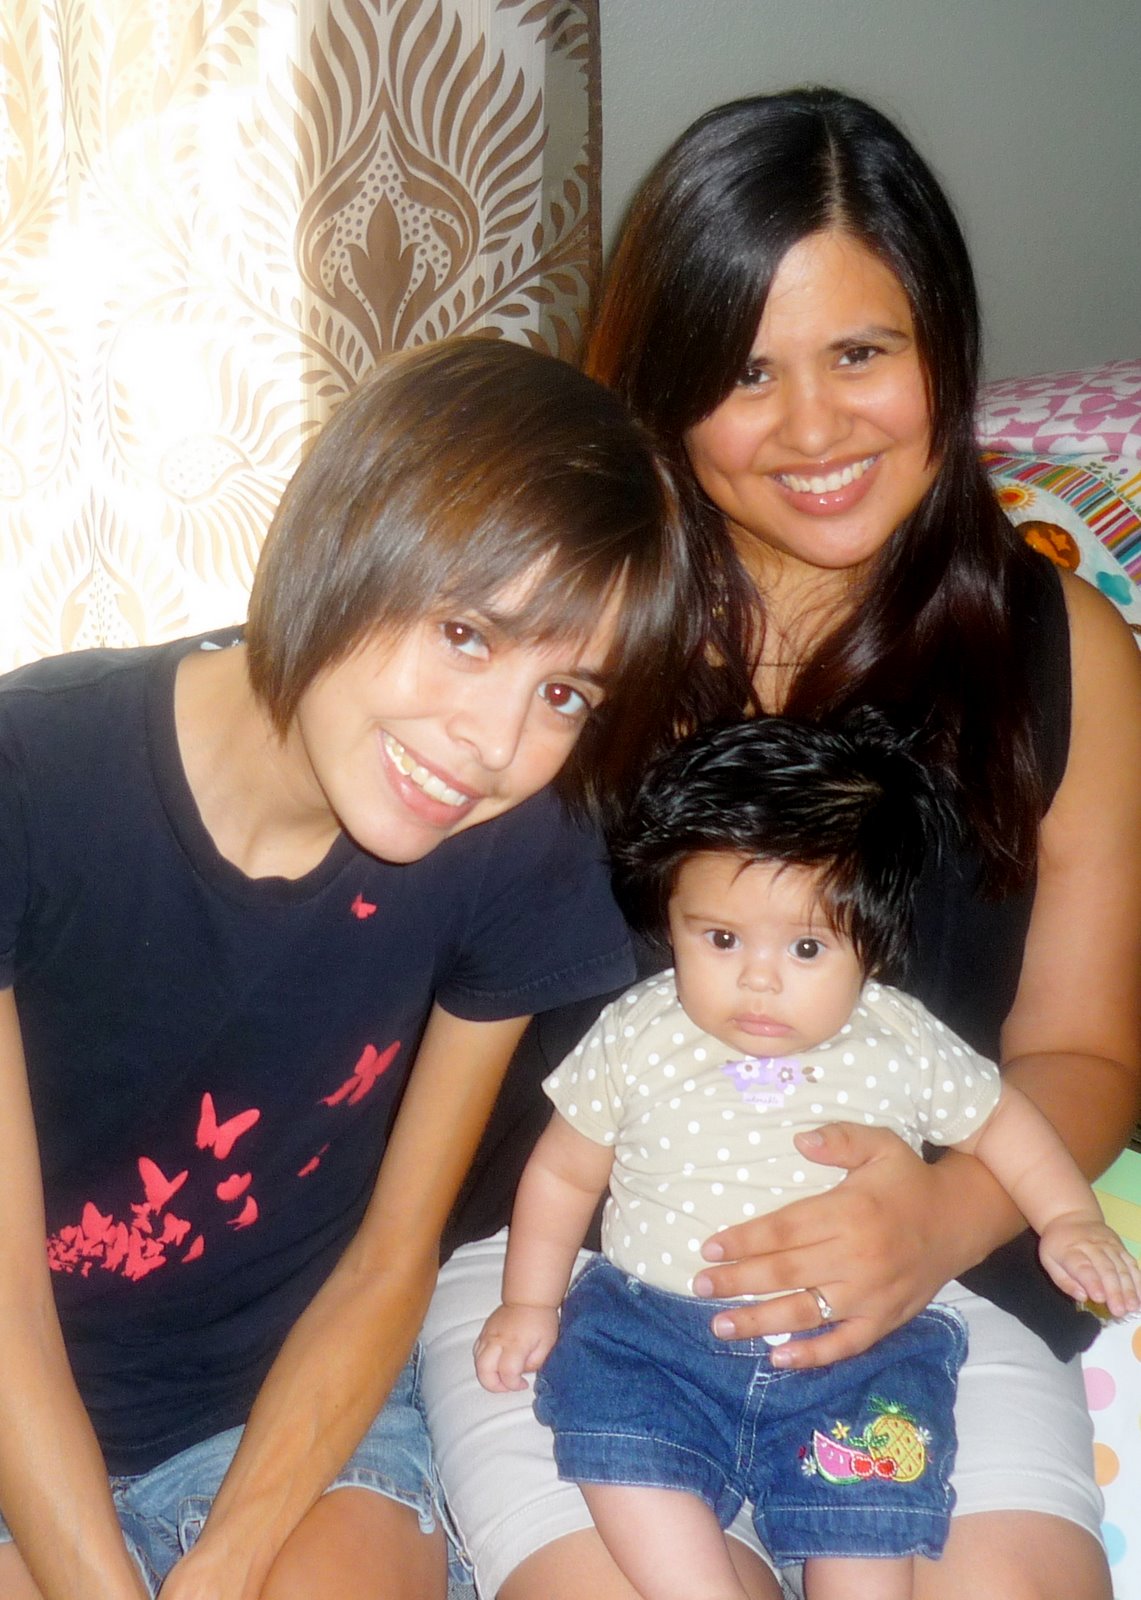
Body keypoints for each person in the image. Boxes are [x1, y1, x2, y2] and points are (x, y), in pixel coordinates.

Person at [418, 88, 1141, 1600]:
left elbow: (1081, 1051)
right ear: (665, 390)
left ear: (942, 349)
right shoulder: (571, 632)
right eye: (747, 371)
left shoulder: (1057, 650)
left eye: (862, 353)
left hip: (924, 1272)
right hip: (577, 1273)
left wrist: (937, 1220)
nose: (815, 430)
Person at [0, 335, 722, 1600]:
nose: (495, 742)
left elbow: (394, 1254)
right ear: (339, 539)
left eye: (565, 694)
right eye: (466, 633)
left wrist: (227, 1559)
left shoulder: (514, 844)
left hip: (295, 1423)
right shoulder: (34, 775)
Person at [474, 715, 1141, 1600]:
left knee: (868, 1525)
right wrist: (530, 1301)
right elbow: (563, 1170)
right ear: (670, 917)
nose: (758, 979)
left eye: (804, 948)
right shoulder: (640, 1030)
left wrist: (1067, 1218)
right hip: (653, 1335)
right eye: (720, 939)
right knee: (618, 1449)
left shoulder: (899, 1038)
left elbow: (1002, 1124)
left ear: (873, 941)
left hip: (854, 1351)